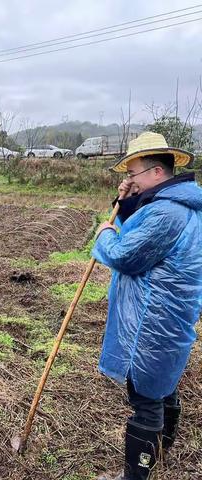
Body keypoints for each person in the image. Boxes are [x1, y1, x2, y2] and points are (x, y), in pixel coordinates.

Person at [93, 132, 202, 480]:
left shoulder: (167, 212)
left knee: (145, 396)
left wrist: (105, 233)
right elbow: (142, 234)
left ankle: (135, 474)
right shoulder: (173, 204)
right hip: (168, 315)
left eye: (134, 173)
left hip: (152, 319)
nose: (129, 180)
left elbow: (126, 254)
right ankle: (162, 444)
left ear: (156, 172)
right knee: (163, 383)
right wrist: (125, 205)